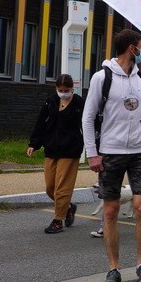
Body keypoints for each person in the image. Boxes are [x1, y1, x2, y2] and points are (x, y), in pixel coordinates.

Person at [81, 29, 141, 282]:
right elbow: (88, 116)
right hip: (112, 151)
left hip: (140, 151)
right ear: (131, 48)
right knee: (111, 209)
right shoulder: (101, 77)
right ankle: (113, 268)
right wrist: (92, 153)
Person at [27, 73, 85, 234]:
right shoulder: (50, 101)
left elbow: (88, 124)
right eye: (60, 89)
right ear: (56, 88)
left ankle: (58, 220)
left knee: (62, 187)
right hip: (51, 148)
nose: (63, 92)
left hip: (70, 149)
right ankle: (68, 207)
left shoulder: (80, 103)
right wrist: (34, 144)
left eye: (66, 90)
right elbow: (41, 122)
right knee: (50, 187)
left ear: (72, 88)